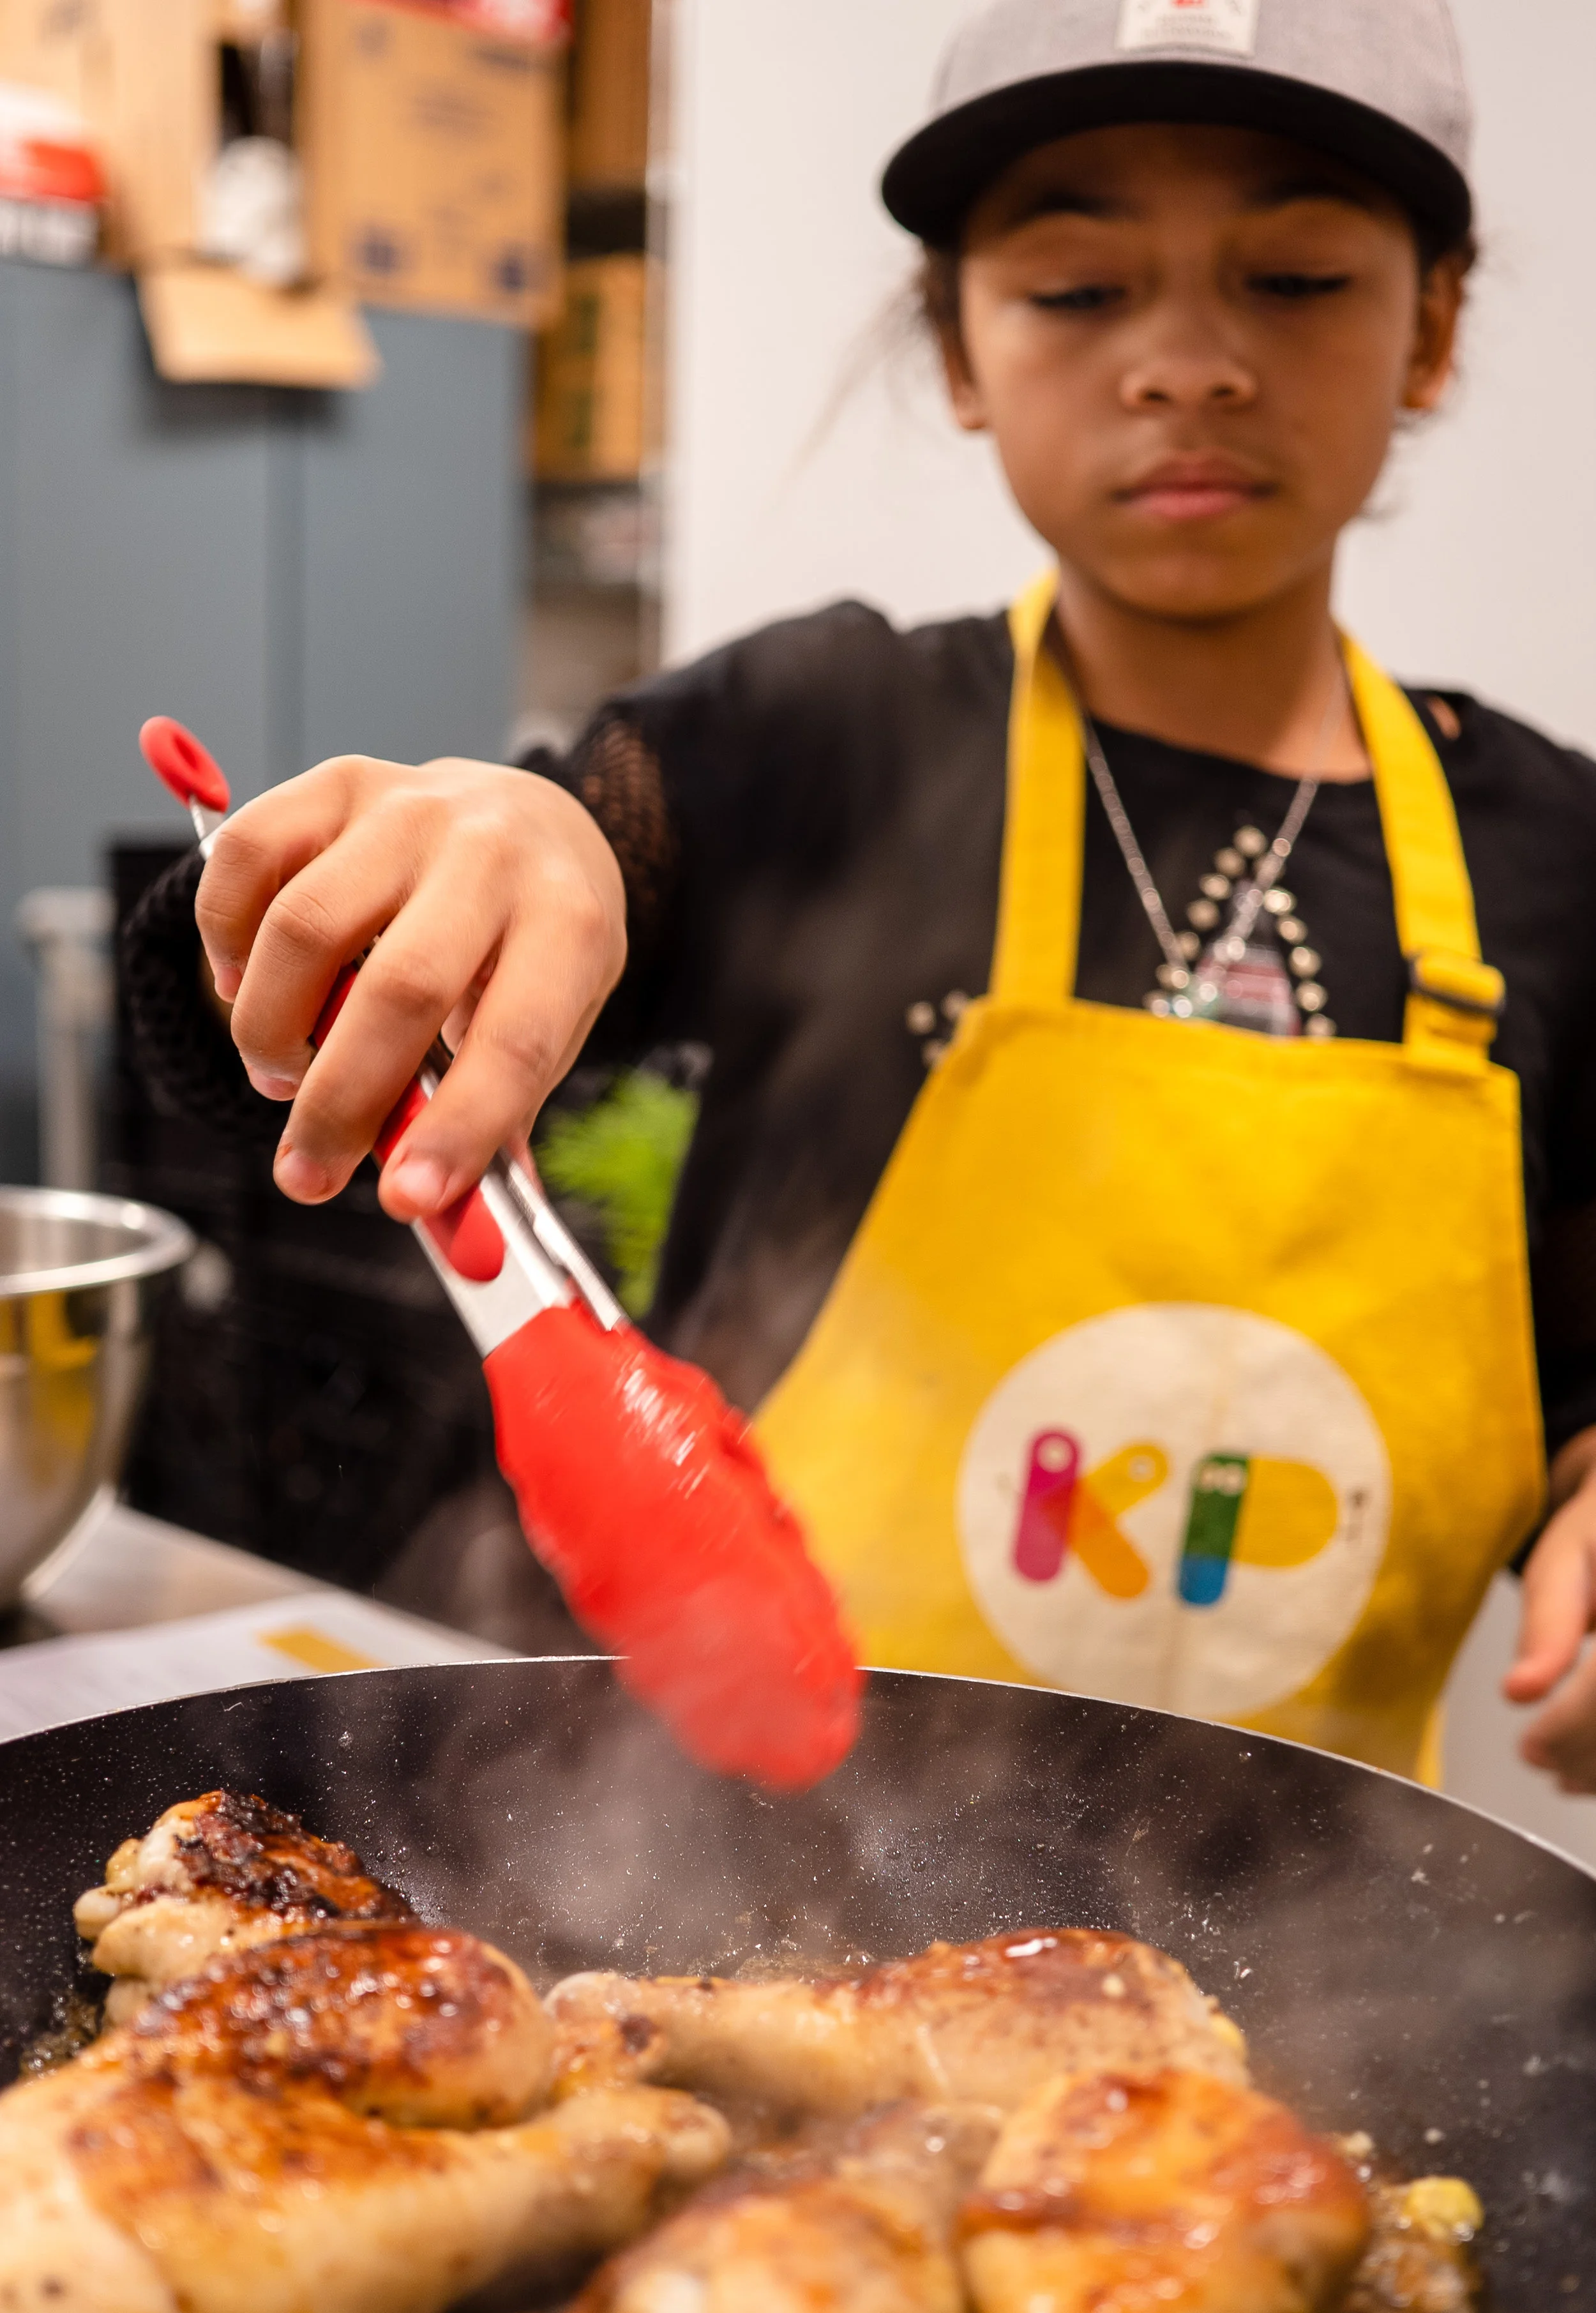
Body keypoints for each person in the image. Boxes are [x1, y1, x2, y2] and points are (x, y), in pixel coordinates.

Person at [130, 0, 1596, 1791]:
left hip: (1321, 1929)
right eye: (1078, 289)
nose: (1187, 364)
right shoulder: (819, 736)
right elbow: (330, 1003)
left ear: (1429, 327)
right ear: (959, 346)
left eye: (1291, 279)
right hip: (734, 1868)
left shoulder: (1554, 853)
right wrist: (445, 870)